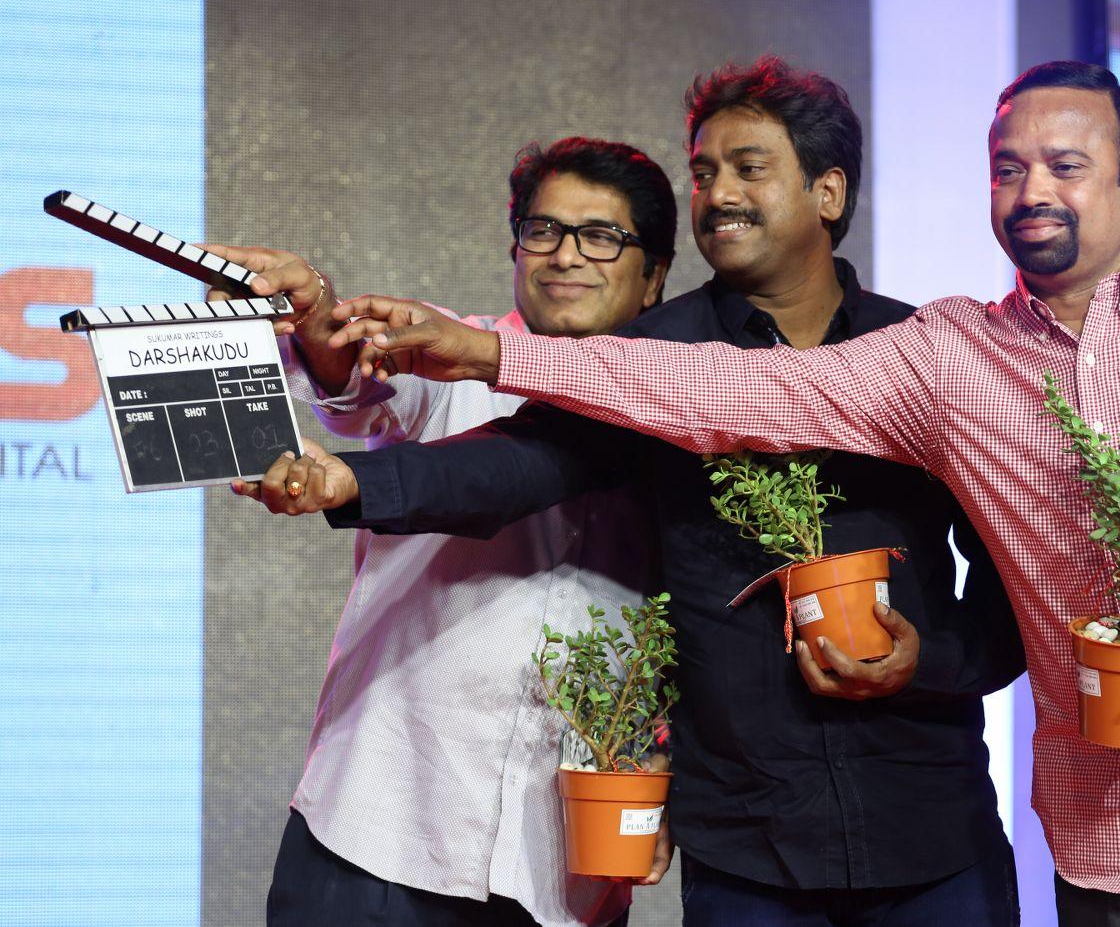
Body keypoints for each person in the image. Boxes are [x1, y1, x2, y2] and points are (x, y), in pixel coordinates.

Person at [309, 60, 1120, 926]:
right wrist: (481, 358)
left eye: (1065, 165)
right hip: (1098, 840)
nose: (1031, 191)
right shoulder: (949, 356)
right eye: (1007, 169)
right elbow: (721, 389)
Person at [240, 58, 1026, 926]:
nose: (718, 194)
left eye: (748, 168)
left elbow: (1010, 588)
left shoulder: (924, 354)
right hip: (746, 858)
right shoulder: (652, 357)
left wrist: (930, 659)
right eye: (704, 172)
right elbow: (522, 459)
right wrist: (351, 479)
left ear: (828, 191)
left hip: (931, 830)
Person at [213, 136, 677, 926]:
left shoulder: (682, 417)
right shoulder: (447, 359)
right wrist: (319, 320)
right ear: (515, 248)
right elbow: (359, 380)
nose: (565, 254)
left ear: (655, 275)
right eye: (543, 230)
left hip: (561, 869)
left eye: (601, 236)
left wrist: (670, 776)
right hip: (379, 831)